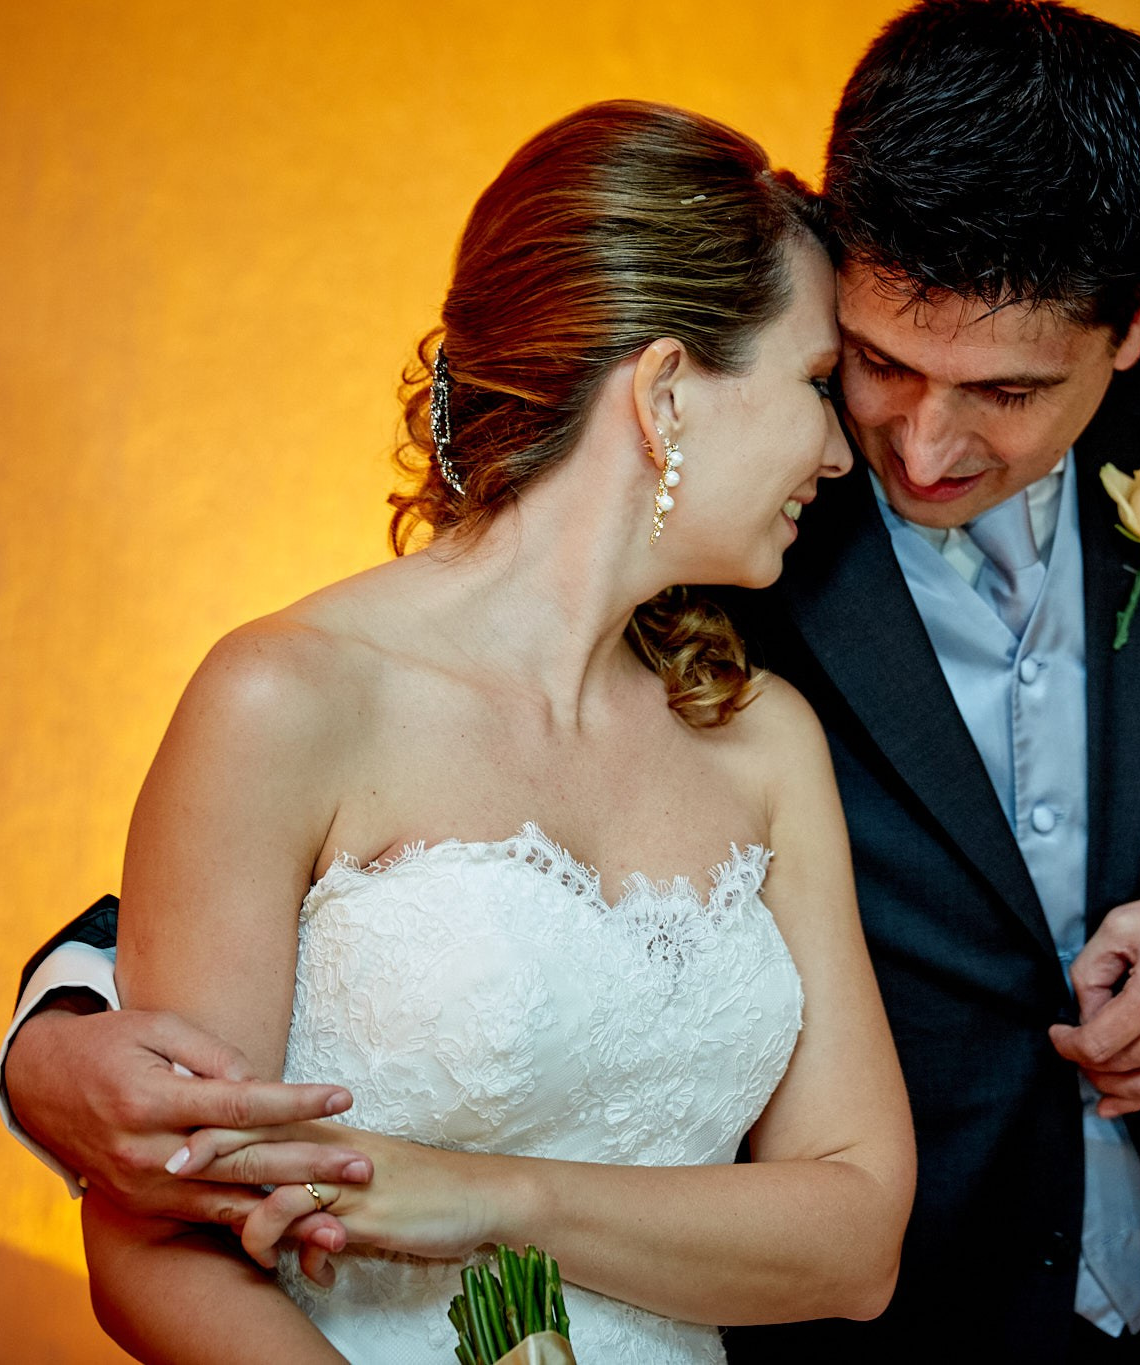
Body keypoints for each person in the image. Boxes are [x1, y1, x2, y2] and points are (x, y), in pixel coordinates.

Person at [0, 3, 1140, 1360]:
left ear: (1138, 322)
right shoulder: (710, 498)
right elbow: (414, 760)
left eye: (1009, 394)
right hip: (858, 1328)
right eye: (873, 366)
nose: (915, 447)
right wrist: (57, 1032)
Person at [51, 99, 915, 1364]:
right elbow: (155, 1241)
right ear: (667, 391)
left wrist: (494, 1200)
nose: (841, 451)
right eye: (816, 384)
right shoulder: (288, 699)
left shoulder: (759, 739)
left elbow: (857, 1245)